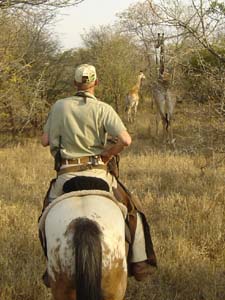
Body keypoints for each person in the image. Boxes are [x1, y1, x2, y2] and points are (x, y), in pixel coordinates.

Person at [39, 63, 157, 287]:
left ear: (74, 84)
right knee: (134, 210)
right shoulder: (104, 108)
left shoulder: (59, 107)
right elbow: (126, 140)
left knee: (46, 214)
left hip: (66, 175)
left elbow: (45, 141)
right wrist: (107, 154)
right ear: (96, 83)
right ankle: (140, 262)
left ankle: (50, 266)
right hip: (99, 174)